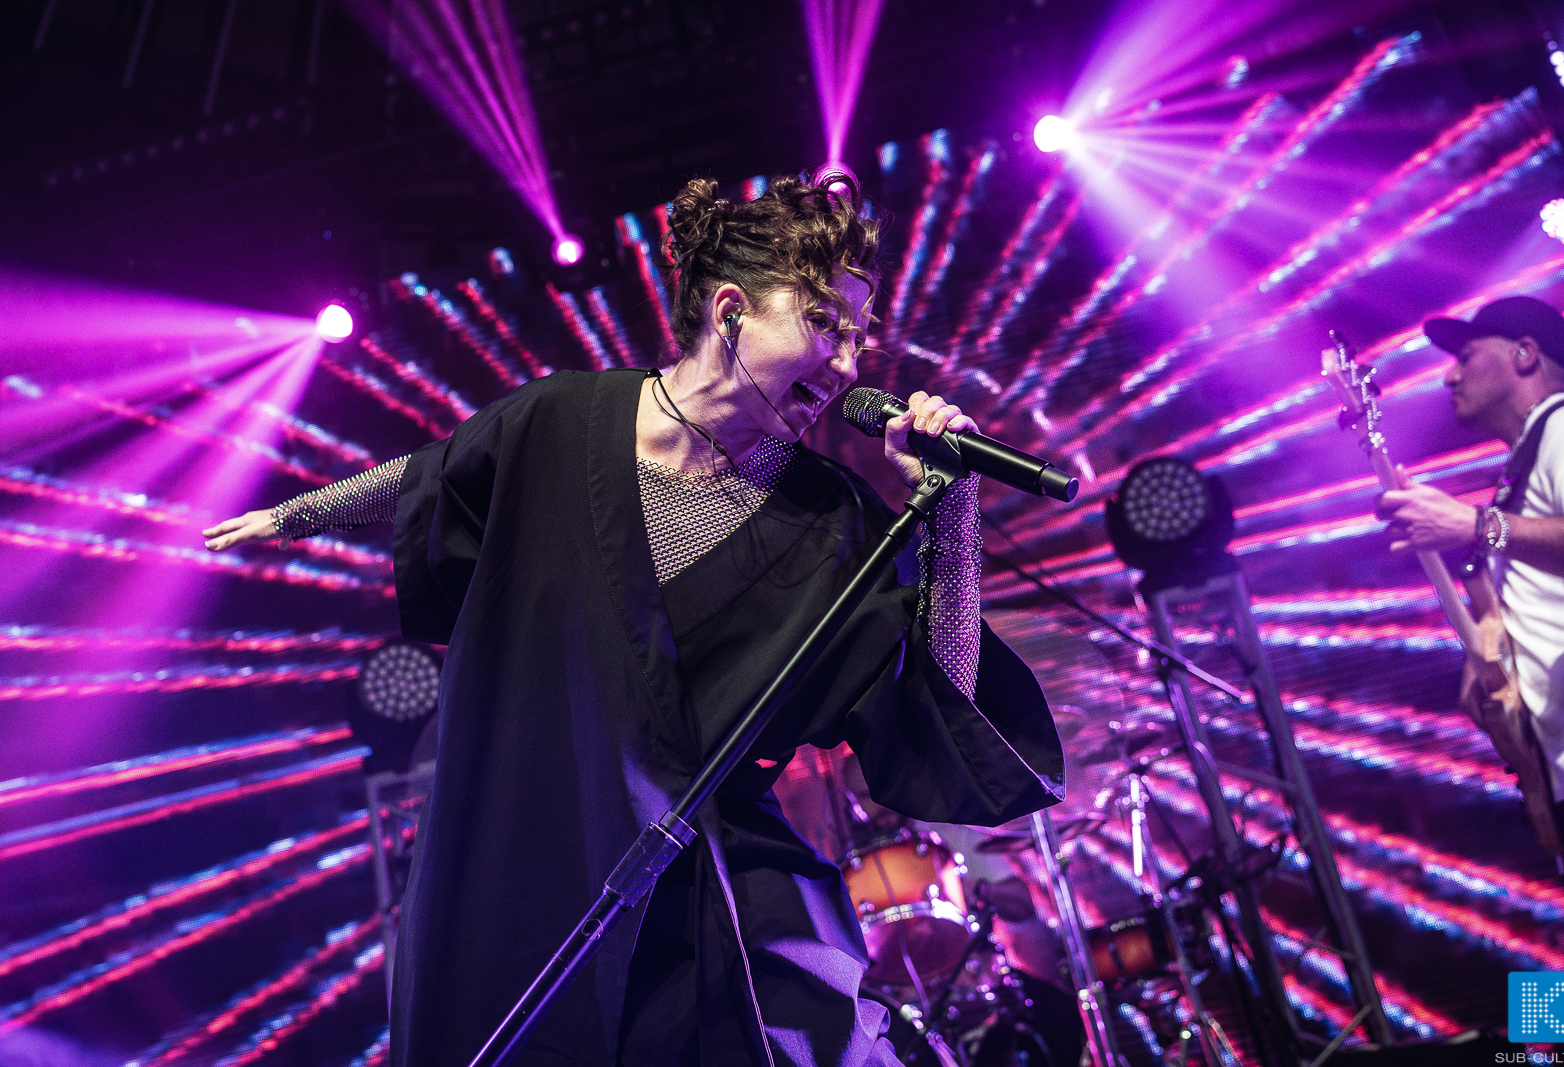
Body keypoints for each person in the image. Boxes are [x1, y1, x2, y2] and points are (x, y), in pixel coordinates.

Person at [203, 171, 1067, 1065]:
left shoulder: (833, 518)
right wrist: (297, 513)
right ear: (730, 311)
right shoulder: (560, 420)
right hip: (537, 872)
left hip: (724, 897)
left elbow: (939, 699)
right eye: (824, 324)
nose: (848, 364)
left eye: (858, 337)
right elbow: (443, 471)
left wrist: (953, 510)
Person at [1374, 295, 1564, 915]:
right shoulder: (1522, 468)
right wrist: (1490, 662)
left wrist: (1479, 527)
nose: (1450, 376)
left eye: (1466, 356)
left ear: (1524, 355)